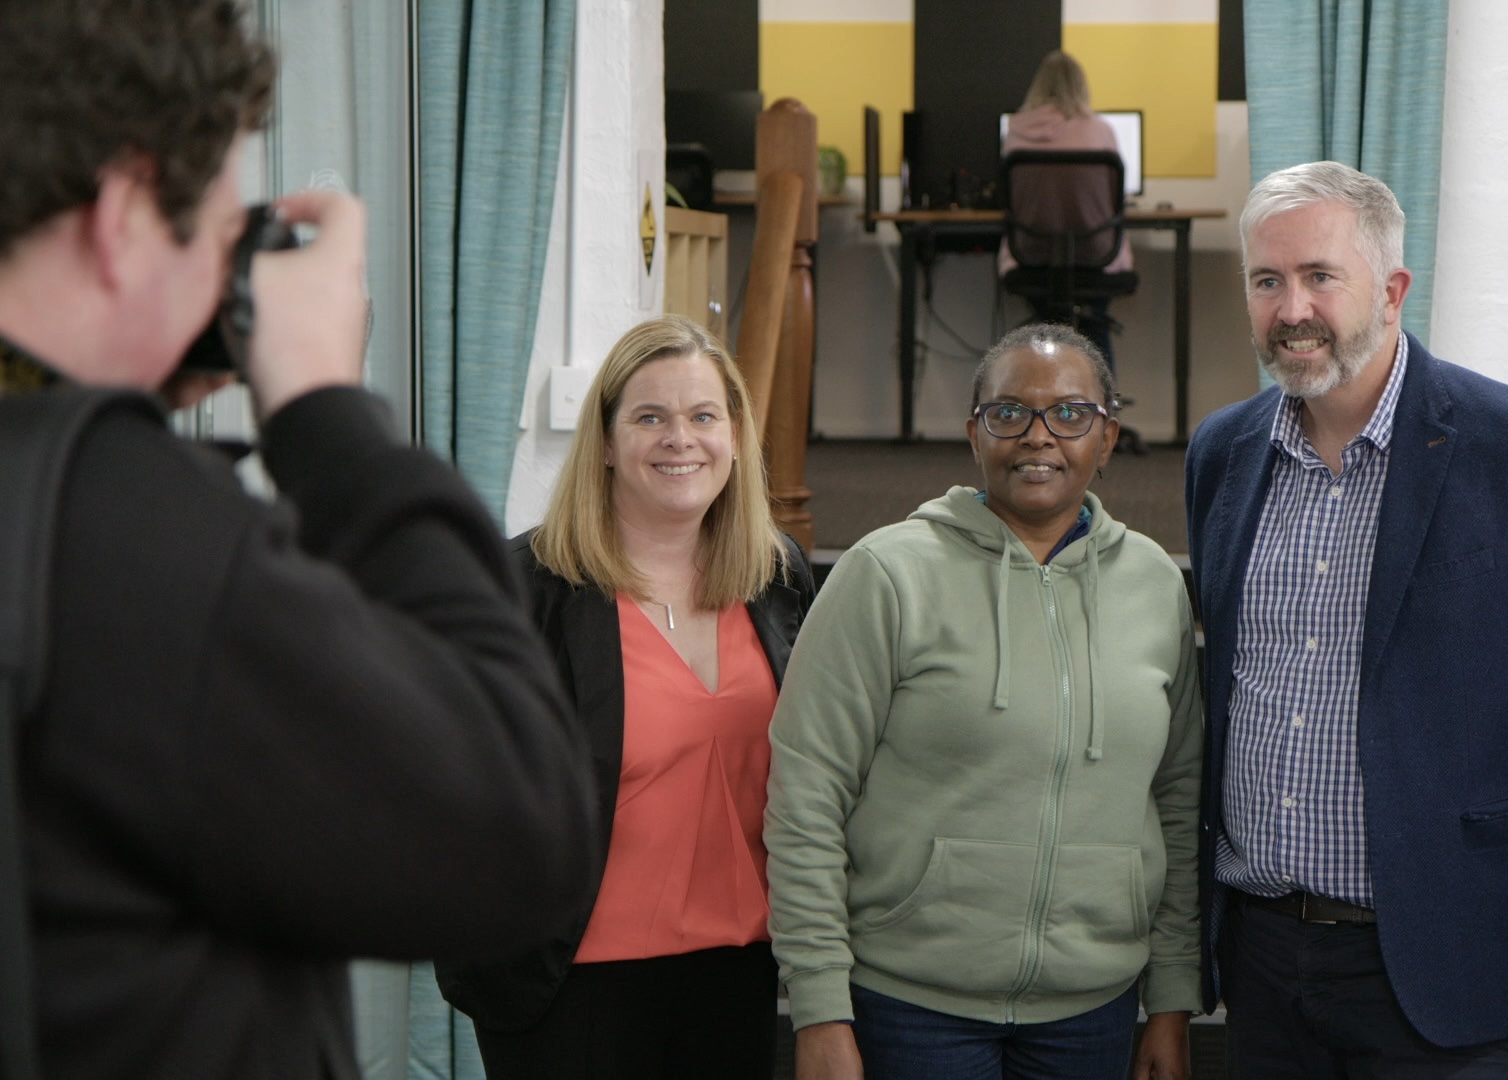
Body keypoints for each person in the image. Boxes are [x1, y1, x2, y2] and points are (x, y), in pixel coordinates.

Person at [0, 2, 595, 1076]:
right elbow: (517, 828)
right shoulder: (138, 542)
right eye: (227, 217)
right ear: (126, 212)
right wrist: (324, 407)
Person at [1184, 160, 1508, 1077]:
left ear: (1392, 289)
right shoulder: (1222, 452)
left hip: (1453, 961)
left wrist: (1501, 866)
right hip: (1264, 958)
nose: (1292, 309)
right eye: (1266, 280)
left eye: (1322, 276)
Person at [768, 323, 1201, 1080]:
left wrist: (1171, 996)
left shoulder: (1155, 587)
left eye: (1071, 415)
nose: (1038, 437)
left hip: (1091, 1010)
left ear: (1108, 437)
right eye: (1009, 413)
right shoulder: (887, 574)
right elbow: (806, 795)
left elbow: (1176, 799)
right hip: (908, 1008)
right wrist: (819, 1006)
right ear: (975, 433)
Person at [436, 316, 815, 1078]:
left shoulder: (777, 577)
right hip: (567, 985)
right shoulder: (525, 589)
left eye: (704, 416)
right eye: (650, 417)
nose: (681, 438)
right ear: (606, 443)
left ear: (735, 437)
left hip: (735, 972)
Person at [999, 49, 1134, 370]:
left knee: (1047, 321)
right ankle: (1101, 415)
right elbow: (1114, 201)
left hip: (1031, 257)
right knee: (1094, 322)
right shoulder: (1100, 130)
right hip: (1095, 255)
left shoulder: (1015, 133)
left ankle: (1047, 410)